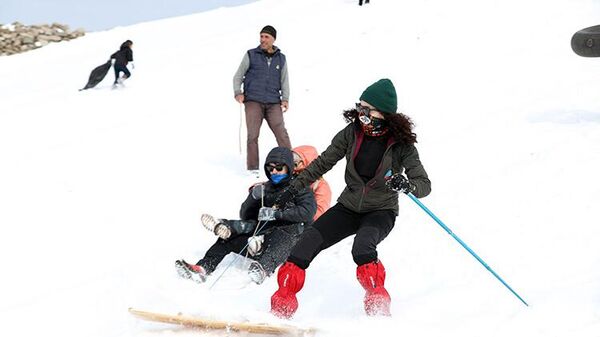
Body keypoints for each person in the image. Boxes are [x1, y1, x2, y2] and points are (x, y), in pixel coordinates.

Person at [269, 79, 432, 318]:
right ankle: (280, 310)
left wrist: (407, 184)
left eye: (368, 110)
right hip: (348, 207)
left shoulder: (401, 146)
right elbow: (323, 163)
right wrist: (291, 190)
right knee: (305, 244)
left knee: (363, 248)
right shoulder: (351, 133)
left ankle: (378, 309)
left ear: (384, 114)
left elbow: (424, 185)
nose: (362, 114)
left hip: (380, 211)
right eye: (360, 107)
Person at [175, 147, 316, 285]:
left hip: (289, 243)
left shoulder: (300, 187)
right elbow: (246, 215)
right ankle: (204, 268)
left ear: (289, 168)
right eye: (270, 168)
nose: (274, 172)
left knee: (288, 231)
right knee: (228, 238)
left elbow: (308, 212)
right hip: (262, 237)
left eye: (279, 168)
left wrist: (277, 214)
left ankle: (263, 268)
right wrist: (253, 198)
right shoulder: (266, 188)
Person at [233, 25, 292, 177]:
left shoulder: (281, 58)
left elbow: (284, 80)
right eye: (261, 36)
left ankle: (291, 164)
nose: (263, 39)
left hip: (273, 102)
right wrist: (238, 93)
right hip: (253, 100)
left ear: (273, 39)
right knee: (252, 135)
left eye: (266, 37)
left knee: (281, 133)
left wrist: (285, 98)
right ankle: (253, 168)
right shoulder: (251, 54)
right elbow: (238, 76)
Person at [292, 145, 332, 220]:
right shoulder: (291, 177)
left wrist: (295, 216)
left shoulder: (321, 186)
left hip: (303, 226)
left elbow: (319, 214)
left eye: (295, 163)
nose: (292, 166)